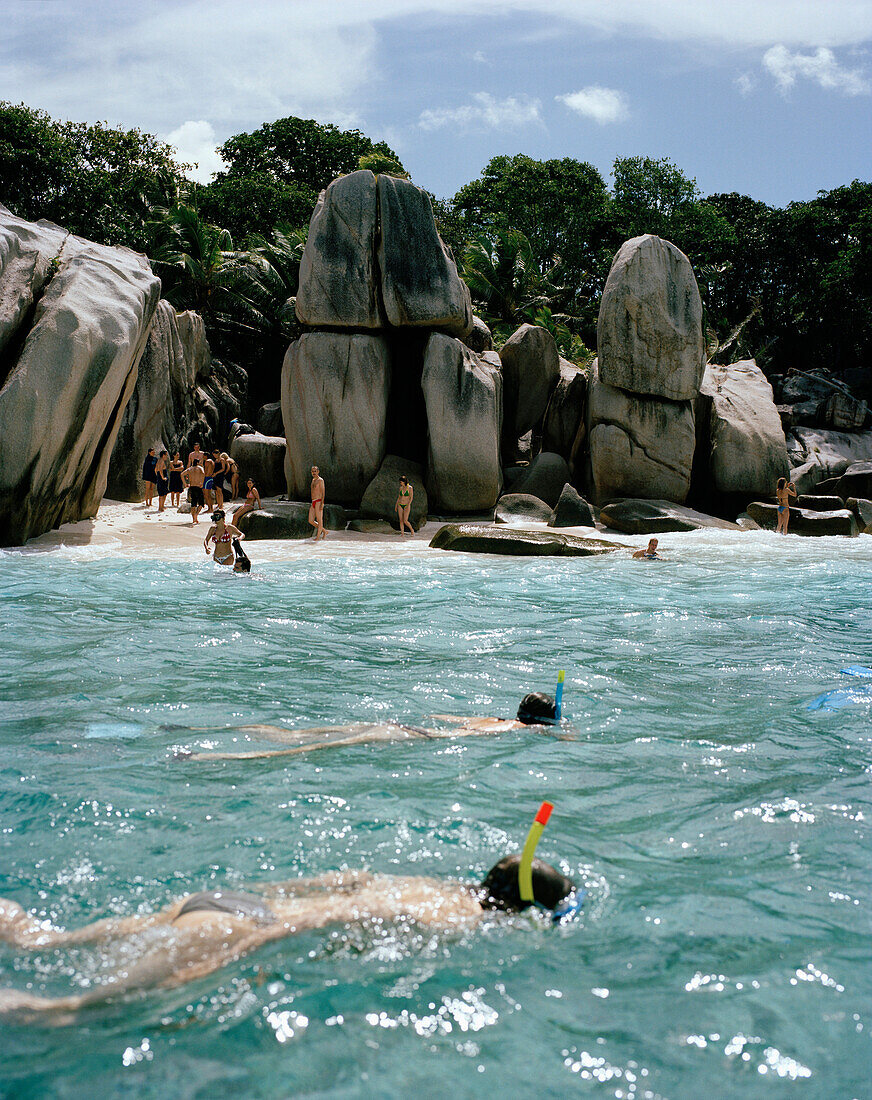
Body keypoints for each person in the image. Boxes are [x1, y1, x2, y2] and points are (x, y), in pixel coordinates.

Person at [0, 857, 577, 1022]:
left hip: (230, 901)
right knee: (68, 1010)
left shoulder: (425, 884)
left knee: (38, 940)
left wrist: (239, 899)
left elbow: (339, 882)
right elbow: (315, 924)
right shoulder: (453, 921)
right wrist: (234, 953)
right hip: (241, 926)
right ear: (519, 910)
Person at [179, 691, 566, 762]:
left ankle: (192, 733)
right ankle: (207, 757)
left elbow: (442, 717)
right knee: (300, 750)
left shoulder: (494, 719)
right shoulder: (518, 730)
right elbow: (551, 734)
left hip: (399, 725)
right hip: (413, 738)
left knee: (298, 736)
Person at [181, 457, 205, 525]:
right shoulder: (200, 468)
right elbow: (203, 474)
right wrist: (202, 483)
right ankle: (196, 515)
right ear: (198, 463)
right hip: (198, 486)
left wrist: (185, 483)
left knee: (193, 503)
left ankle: (194, 519)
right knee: (201, 503)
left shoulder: (190, 469)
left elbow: (182, 474)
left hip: (192, 487)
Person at [309, 465, 326, 540]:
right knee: (311, 520)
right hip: (313, 502)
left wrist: (322, 503)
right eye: (312, 471)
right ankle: (324, 531)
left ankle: (318, 537)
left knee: (319, 520)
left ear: (318, 472)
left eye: (315, 471)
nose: (314, 473)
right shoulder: (313, 480)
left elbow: (323, 492)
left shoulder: (320, 480)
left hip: (319, 501)